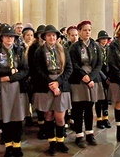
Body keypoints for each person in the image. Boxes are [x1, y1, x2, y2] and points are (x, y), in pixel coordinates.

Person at [0, 25, 29, 157]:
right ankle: (8, 146)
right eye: (6, 36)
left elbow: (25, 70)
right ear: (1, 37)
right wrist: (9, 70)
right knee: (5, 118)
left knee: (17, 118)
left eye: (12, 36)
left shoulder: (20, 50)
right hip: (0, 89)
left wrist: (10, 77)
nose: (9, 38)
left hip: (17, 87)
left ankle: (17, 145)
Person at [33, 25, 72, 155]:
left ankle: (60, 141)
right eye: (49, 35)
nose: (52, 37)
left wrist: (58, 83)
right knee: (48, 115)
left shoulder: (63, 50)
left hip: (61, 84)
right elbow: (37, 70)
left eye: (54, 35)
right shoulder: (39, 51)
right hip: (45, 85)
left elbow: (69, 69)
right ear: (44, 37)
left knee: (60, 116)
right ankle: (52, 143)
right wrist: (50, 83)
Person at [69, 21, 105, 147]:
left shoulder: (96, 46)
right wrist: (83, 76)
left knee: (89, 107)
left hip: (92, 80)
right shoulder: (74, 47)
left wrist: (90, 78)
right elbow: (73, 64)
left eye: (89, 30)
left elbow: (99, 63)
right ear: (79, 31)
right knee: (78, 108)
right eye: (85, 30)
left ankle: (90, 134)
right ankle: (79, 135)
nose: (87, 32)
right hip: (78, 80)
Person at [27, 24, 47, 139]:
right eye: (41, 35)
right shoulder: (34, 47)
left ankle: (47, 125)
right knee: (40, 104)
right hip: (37, 79)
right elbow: (32, 64)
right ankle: (41, 126)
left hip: (47, 79)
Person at [95, 30, 112, 129]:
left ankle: (105, 118)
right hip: (99, 76)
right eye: (102, 39)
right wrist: (104, 77)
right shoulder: (97, 49)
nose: (104, 41)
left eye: (106, 39)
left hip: (108, 75)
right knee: (99, 99)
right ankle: (99, 119)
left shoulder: (109, 49)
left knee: (106, 99)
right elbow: (97, 65)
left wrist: (109, 76)